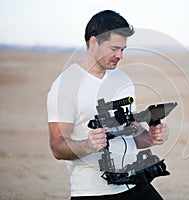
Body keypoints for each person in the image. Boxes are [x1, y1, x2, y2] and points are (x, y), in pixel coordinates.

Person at [47, 10, 169, 200]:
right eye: (114, 48)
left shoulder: (123, 79)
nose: (120, 55)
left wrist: (152, 137)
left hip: (134, 182)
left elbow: (133, 134)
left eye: (123, 49)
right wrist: (88, 145)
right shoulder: (66, 85)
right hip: (93, 192)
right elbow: (57, 147)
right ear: (94, 43)